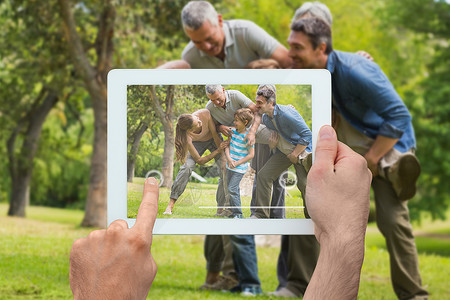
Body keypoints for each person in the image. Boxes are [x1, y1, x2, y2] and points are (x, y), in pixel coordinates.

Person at [69, 125, 372, 299]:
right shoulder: (203, 139)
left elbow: (250, 152)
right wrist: (342, 240)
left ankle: (248, 282)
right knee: (225, 230)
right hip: (233, 175)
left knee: (238, 231)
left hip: (244, 175)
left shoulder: (248, 134)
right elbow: (203, 159)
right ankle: (230, 278)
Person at [287, 17, 428, 299]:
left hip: (388, 144)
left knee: (393, 220)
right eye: (290, 45)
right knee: (318, 213)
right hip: (356, 145)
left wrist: (374, 159)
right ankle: (306, 287)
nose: (291, 53)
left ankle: (414, 296)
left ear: (321, 48)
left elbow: (399, 116)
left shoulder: (355, 70)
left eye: (297, 47)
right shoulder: (314, 73)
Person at [158, 1, 292, 69]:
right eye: (197, 42)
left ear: (220, 21)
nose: (206, 46)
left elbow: (289, 64)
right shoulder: (190, 57)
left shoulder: (246, 32)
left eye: (209, 38)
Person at [163, 109, 227, 215]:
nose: (199, 121)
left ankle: (220, 209)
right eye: (197, 123)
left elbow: (215, 136)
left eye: (197, 118)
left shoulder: (204, 114)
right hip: (198, 144)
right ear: (190, 130)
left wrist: (223, 156)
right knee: (187, 167)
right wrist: (217, 151)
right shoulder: (187, 137)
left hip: (213, 139)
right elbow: (200, 161)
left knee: (225, 169)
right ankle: (170, 205)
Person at [224, 108, 255, 219]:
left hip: (239, 168)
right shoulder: (232, 132)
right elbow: (226, 145)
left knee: (232, 189)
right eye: (234, 120)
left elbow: (251, 154)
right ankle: (234, 213)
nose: (234, 122)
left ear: (245, 122)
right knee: (232, 189)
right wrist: (229, 159)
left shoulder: (248, 137)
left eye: (237, 120)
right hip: (229, 166)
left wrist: (237, 163)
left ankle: (238, 214)